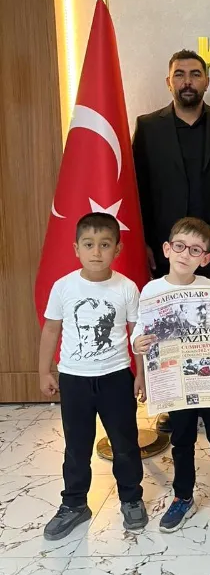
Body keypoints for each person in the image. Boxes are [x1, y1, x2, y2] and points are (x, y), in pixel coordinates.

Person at [39, 212, 147, 541]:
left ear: (117, 249)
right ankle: (74, 504)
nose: (96, 252)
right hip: (74, 381)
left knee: (125, 444)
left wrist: (141, 374)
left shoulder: (126, 288)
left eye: (104, 244)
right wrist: (44, 370)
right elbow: (51, 330)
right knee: (76, 447)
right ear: (76, 249)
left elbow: (137, 334)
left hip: (116, 378)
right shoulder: (64, 287)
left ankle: (131, 498)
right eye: (88, 244)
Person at [132, 217, 210, 532]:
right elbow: (140, 329)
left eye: (195, 250)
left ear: (205, 258)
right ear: (167, 249)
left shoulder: (208, 288)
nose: (185, 254)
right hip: (176, 384)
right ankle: (183, 495)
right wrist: (137, 343)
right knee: (181, 440)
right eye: (180, 246)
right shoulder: (152, 290)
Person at [132, 50, 210, 288]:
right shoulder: (148, 127)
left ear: (207, 82)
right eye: (179, 75)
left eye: (195, 74)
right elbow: (138, 188)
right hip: (166, 248)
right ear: (168, 82)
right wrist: (143, 243)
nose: (188, 81)